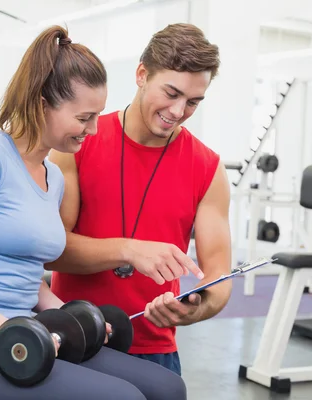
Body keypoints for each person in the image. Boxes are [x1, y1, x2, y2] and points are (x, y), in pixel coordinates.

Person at [0, 25, 187, 400]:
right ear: (41, 104)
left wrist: (73, 317)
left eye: (97, 116)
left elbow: (25, 273)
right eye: (84, 118)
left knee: (165, 387)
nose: (94, 130)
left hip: (17, 334)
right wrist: (7, 327)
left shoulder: (52, 176)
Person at [46, 23, 232, 376]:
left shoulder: (208, 169)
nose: (178, 111)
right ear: (142, 74)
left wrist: (195, 310)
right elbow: (53, 251)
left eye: (193, 102)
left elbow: (219, 275)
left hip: (155, 348)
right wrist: (129, 250)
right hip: (76, 337)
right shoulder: (79, 144)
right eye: (172, 93)